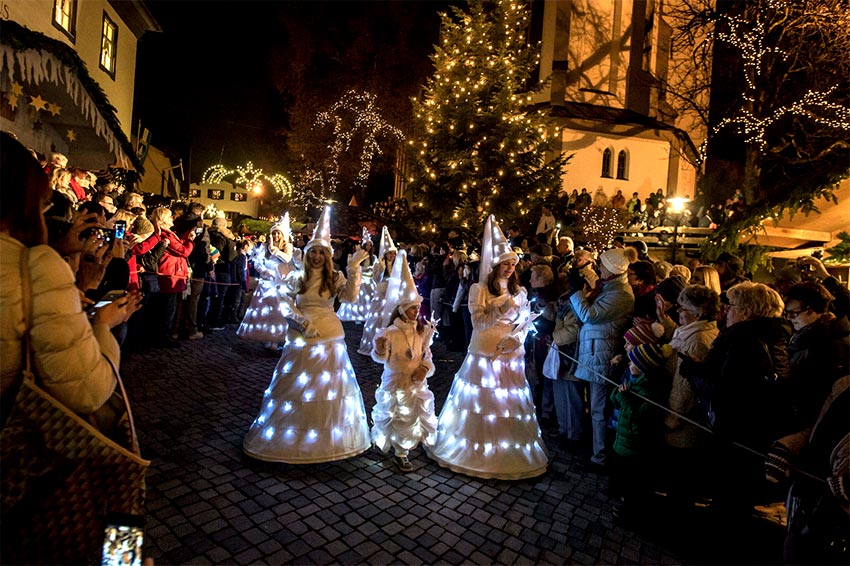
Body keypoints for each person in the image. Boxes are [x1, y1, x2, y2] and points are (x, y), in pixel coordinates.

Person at [0, 132, 142, 561]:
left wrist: (79, 278)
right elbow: (88, 388)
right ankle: (123, 560)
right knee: (122, 472)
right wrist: (102, 323)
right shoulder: (34, 265)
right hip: (24, 475)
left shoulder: (42, 262)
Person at [243, 206, 371, 463]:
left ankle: (327, 438)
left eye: (321, 252)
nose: (316, 256)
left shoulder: (335, 277)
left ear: (328, 255)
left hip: (329, 339)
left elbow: (350, 297)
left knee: (328, 390)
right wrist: (299, 321)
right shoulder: (296, 277)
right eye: (312, 251)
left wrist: (354, 268)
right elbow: (284, 300)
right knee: (297, 388)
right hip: (302, 339)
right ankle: (293, 433)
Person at [428, 215, 547, 479]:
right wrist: (501, 308)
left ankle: (506, 448)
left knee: (506, 403)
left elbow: (525, 321)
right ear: (495, 265)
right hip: (484, 351)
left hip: (510, 353)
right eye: (505, 264)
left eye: (513, 264)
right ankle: (476, 447)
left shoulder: (521, 292)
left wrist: (518, 336)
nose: (509, 268)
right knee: (481, 401)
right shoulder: (479, 289)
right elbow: (479, 323)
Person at [679, 281, 791, 522]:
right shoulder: (763, 337)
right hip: (746, 428)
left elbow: (727, 390)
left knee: (730, 493)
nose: (725, 311)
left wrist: (694, 373)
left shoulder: (745, 342)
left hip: (737, 429)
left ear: (746, 311)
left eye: (730, 306)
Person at [370, 251, 438, 473]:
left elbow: (427, 353)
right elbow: (382, 357)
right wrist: (379, 349)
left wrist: (424, 368)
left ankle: (402, 452)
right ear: (401, 308)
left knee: (408, 418)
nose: (416, 310)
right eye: (411, 307)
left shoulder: (422, 329)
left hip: (414, 382)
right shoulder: (390, 332)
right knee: (393, 414)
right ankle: (387, 444)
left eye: (417, 307)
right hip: (395, 380)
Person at [569, 248, 635, 472]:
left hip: (602, 355)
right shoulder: (609, 288)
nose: (599, 268)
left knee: (599, 408)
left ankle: (600, 456)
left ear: (614, 270)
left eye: (603, 266)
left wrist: (576, 292)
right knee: (595, 406)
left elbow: (589, 315)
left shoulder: (621, 294)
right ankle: (596, 450)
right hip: (595, 351)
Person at [662, 285, 721, 504]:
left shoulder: (696, 340)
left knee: (680, 475)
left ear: (698, 312)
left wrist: (672, 417)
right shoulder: (689, 331)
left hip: (685, 421)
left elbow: (684, 386)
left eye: (683, 308)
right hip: (685, 418)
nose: (678, 312)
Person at [609, 342, 673, 524]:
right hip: (623, 441)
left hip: (634, 446)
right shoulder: (633, 382)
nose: (629, 365)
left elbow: (635, 415)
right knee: (623, 481)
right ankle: (623, 505)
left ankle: (630, 515)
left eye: (632, 363)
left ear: (643, 367)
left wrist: (623, 397)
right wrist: (618, 393)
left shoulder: (649, 392)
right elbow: (616, 399)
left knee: (632, 485)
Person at [783, 281, 850, 428]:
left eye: (794, 313)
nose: (789, 318)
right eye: (786, 313)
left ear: (812, 310)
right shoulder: (810, 336)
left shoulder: (826, 344)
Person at [237, 213, 301, 345]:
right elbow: (257, 262)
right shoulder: (265, 246)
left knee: (280, 310)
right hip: (267, 281)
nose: (276, 236)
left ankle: (278, 339)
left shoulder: (287, 246)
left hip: (281, 282)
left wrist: (275, 250)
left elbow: (287, 258)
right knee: (266, 310)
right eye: (274, 233)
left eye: (278, 233)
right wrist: (264, 271)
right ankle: (266, 337)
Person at [358, 226, 398, 356]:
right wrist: (381, 269)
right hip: (381, 295)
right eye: (390, 253)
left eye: (393, 253)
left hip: (393, 296)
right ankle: (375, 345)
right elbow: (376, 279)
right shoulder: (379, 264)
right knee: (378, 319)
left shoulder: (397, 265)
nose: (392, 256)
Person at [337, 227, 376, 323]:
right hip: (360, 279)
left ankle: (367, 314)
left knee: (368, 298)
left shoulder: (373, 257)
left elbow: (374, 268)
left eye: (370, 245)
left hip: (369, 281)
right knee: (357, 296)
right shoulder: (359, 255)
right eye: (366, 245)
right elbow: (354, 267)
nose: (368, 247)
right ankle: (355, 314)